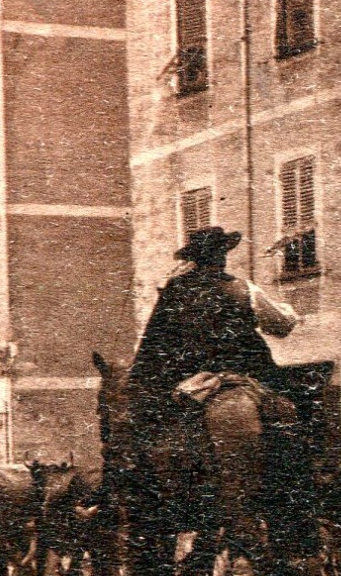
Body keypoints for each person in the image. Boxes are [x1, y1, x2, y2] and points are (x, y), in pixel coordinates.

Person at [125, 225, 314, 554]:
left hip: (186, 385)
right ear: (221, 256)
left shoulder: (173, 291)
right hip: (240, 380)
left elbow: (154, 343)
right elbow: (280, 326)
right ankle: (300, 500)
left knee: (139, 440)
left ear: (194, 259)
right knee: (294, 416)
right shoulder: (242, 288)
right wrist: (290, 312)